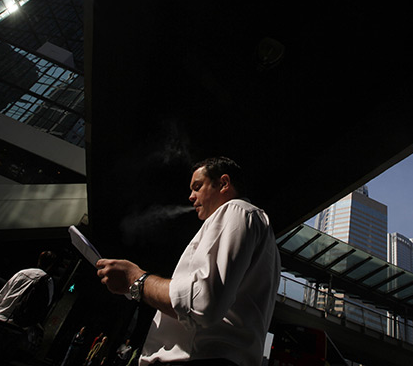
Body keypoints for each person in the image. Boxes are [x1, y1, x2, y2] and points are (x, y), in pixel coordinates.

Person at [96, 156, 281, 366]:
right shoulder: (264, 237)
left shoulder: (236, 210)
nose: (191, 196)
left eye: (197, 186)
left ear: (223, 184)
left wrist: (137, 280)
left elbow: (202, 302)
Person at [0, 251, 56, 366]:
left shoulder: (23, 273)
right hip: (17, 327)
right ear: (51, 265)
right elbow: (46, 304)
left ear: (39, 260)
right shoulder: (48, 282)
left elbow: (2, 294)